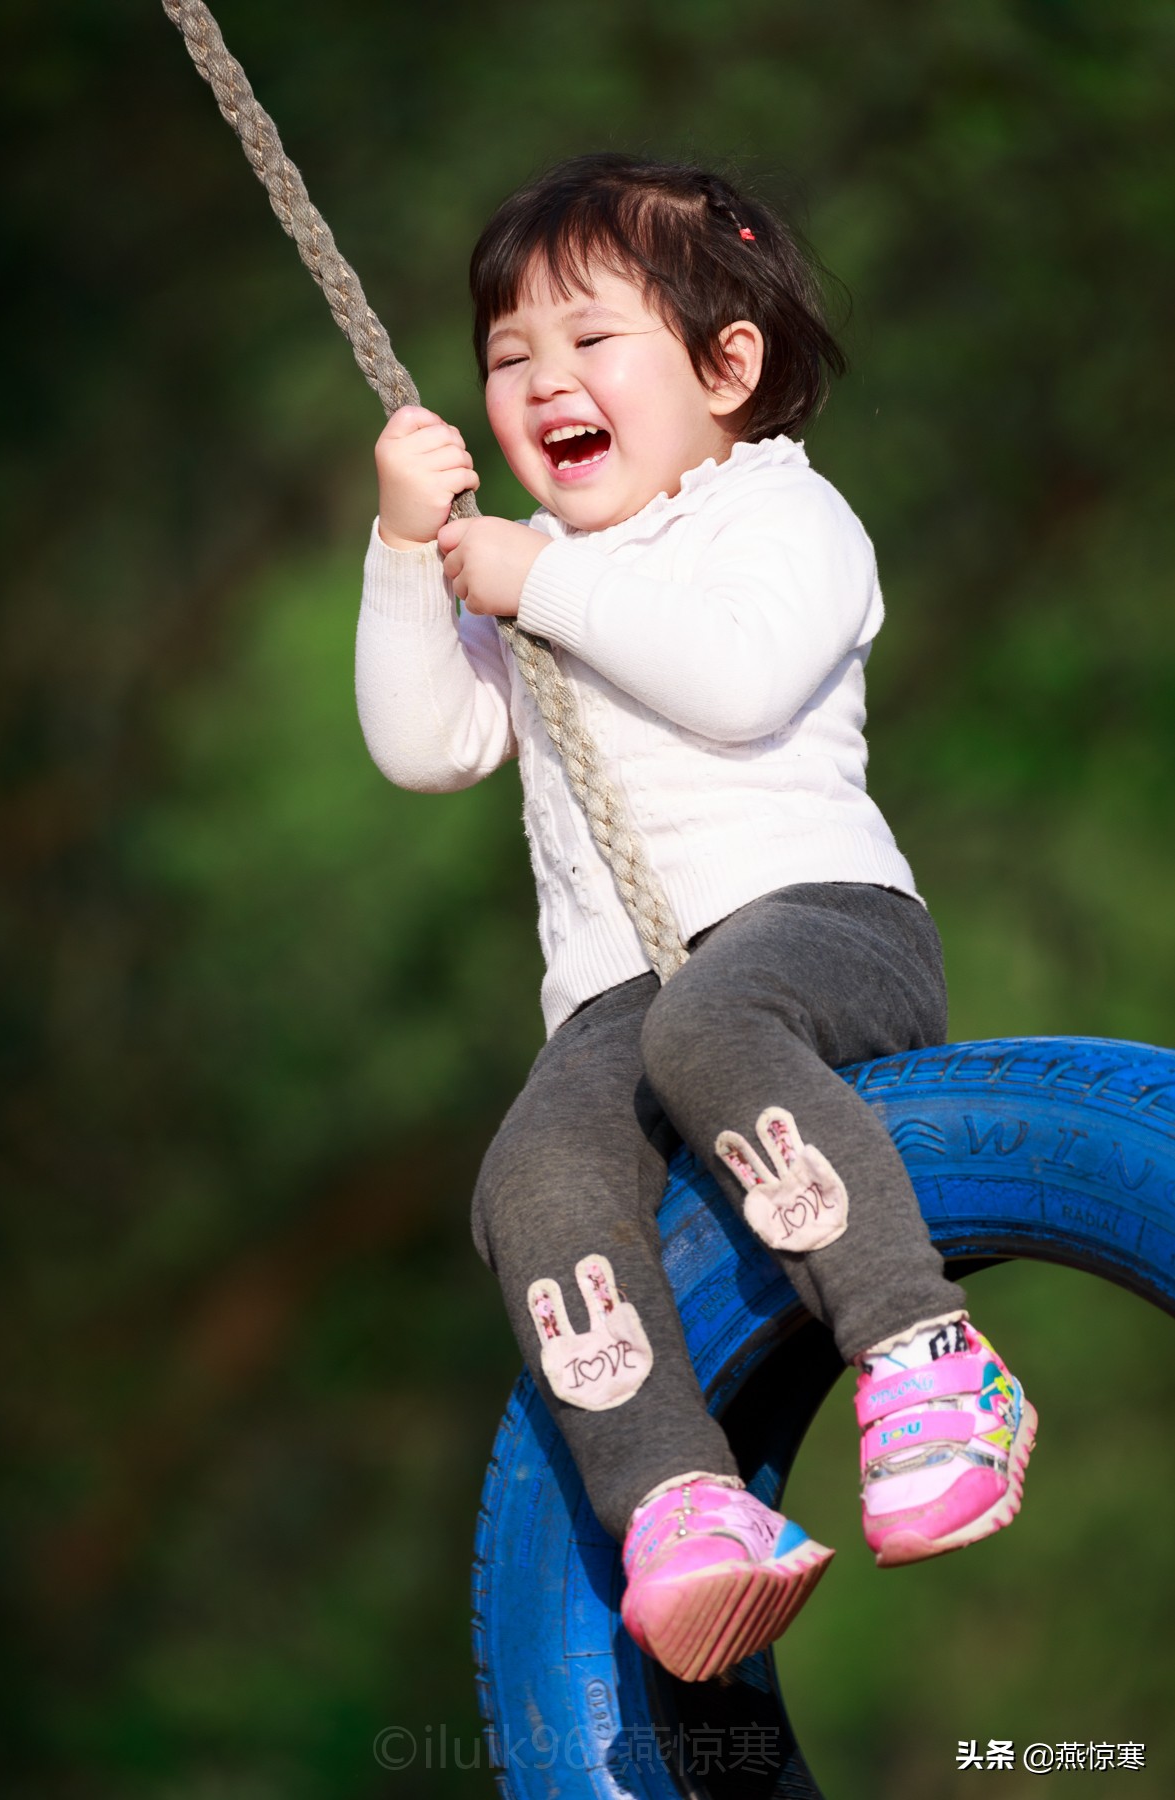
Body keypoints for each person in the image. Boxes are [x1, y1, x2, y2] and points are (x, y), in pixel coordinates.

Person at [355, 153, 1036, 1683]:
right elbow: (423, 745)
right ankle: (679, 1505)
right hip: (623, 1005)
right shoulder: (543, 577)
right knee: (528, 1178)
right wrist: (406, 555)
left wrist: (535, 581)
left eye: (592, 339)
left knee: (710, 1027)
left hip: (816, 927)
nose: (544, 381)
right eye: (509, 356)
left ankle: (922, 1354)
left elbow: (733, 680)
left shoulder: (779, 512)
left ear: (727, 369)